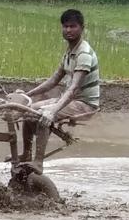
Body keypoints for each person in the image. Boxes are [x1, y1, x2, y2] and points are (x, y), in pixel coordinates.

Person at [18, 9, 100, 161]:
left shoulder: (84, 54)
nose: (68, 30)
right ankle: (26, 154)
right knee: (28, 110)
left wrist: (52, 110)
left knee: (42, 115)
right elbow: (53, 80)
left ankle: (38, 162)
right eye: (65, 26)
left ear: (82, 27)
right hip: (69, 99)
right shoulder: (70, 52)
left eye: (73, 26)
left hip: (84, 104)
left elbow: (74, 88)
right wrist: (26, 95)